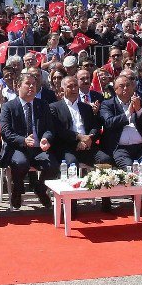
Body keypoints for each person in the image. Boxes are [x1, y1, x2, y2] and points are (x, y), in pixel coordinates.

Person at [51, 75, 113, 211]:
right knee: (70, 163)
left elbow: (96, 126)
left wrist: (89, 138)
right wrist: (79, 137)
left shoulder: (85, 107)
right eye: (70, 86)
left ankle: (106, 199)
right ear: (62, 89)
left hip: (88, 145)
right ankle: (71, 205)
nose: (74, 89)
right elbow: (58, 131)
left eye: (75, 86)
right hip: (67, 148)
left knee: (105, 159)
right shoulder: (54, 108)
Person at [0, 71, 54, 210]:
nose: (31, 87)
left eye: (34, 84)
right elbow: (5, 132)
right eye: (27, 84)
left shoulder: (43, 105)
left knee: (53, 164)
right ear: (17, 86)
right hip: (18, 147)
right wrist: (23, 140)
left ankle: (40, 189)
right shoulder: (8, 107)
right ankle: (17, 189)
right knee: (21, 163)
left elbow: (49, 128)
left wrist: (46, 138)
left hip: (38, 147)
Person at [98, 74, 142, 174]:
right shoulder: (107, 104)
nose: (125, 88)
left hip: (141, 148)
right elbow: (109, 123)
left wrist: (139, 110)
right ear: (115, 89)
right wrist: (128, 113)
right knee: (130, 170)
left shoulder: (139, 102)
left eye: (128, 85)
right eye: (121, 86)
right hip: (120, 149)